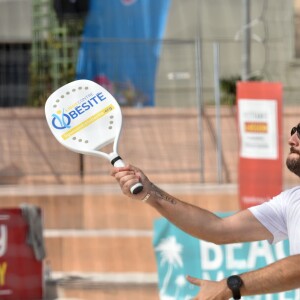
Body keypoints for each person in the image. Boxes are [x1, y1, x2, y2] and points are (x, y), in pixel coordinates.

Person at [111, 123, 300, 300]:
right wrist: (151, 193)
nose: (292, 139)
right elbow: (218, 229)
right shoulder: (292, 200)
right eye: (294, 130)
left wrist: (230, 286)